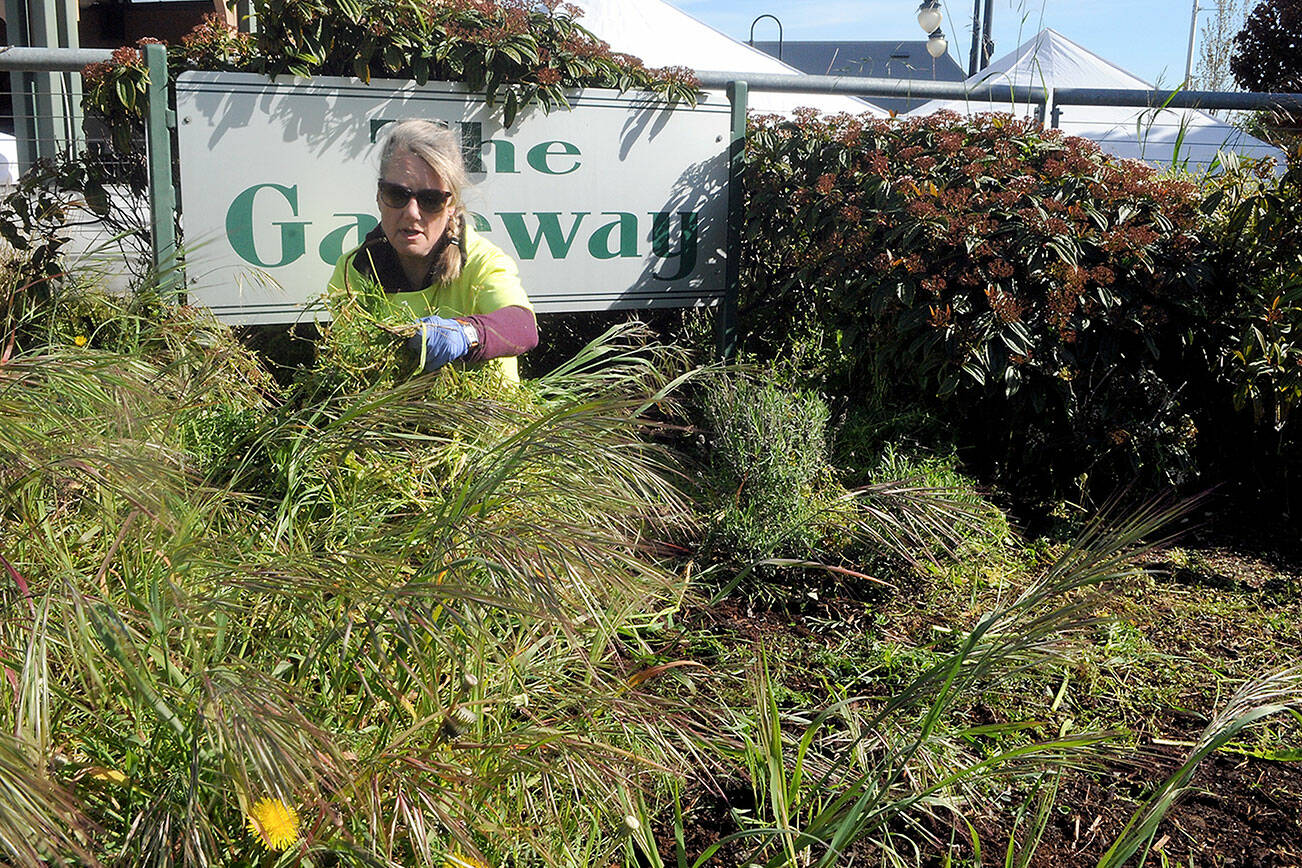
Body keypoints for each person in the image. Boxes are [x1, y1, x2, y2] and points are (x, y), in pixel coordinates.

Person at [326, 119, 538, 381]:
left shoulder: (481, 260)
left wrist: (467, 334)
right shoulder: (355, 270)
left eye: (431, 200)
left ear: (451, 205)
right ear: (379, 197)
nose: (412, 213)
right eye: (396, 194)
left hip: (486, 416)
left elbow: (523, 327)